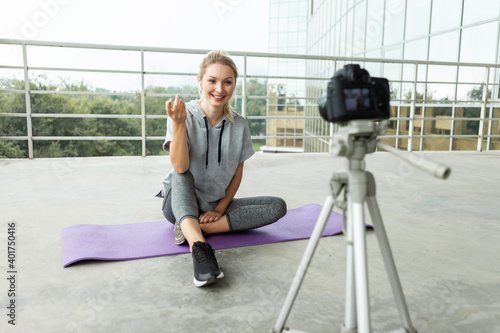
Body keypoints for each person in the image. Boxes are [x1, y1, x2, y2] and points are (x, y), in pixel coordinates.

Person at [160, 51, 287, 287]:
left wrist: (220, 209)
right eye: (212, 81)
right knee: (181, 175)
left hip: (214, 204)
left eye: (227, 82)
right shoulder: (182, 115)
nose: (220, 89)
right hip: (178, 202)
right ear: (199, 81)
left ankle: (190, 228)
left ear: (234, 85)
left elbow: (237, 173)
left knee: (277, 206)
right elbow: (180, 166)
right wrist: (178, 124)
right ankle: (198, 246)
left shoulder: (239, 125)